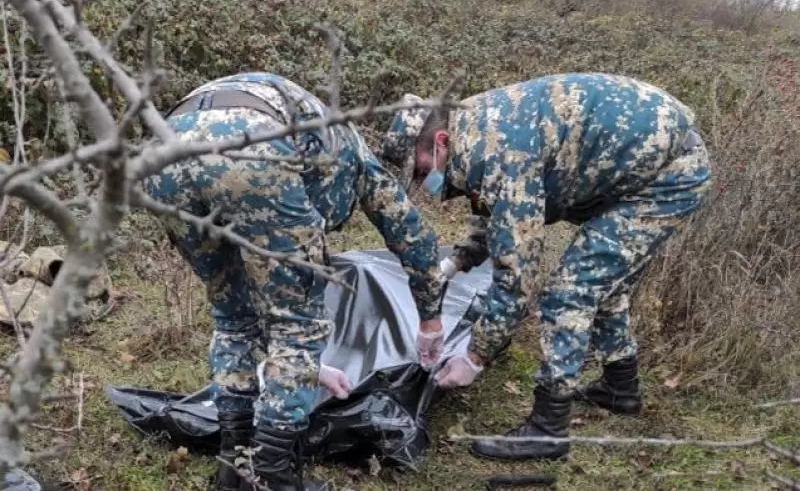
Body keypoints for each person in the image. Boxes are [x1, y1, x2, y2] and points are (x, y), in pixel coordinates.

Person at [379, 73, 712, 462]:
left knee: (569, 293)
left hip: (667, 178)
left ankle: (548, 428)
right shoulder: (474, 128)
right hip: (640, 166)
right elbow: (496, 211)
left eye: (420, 171)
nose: (423, 184)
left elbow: (516, 276)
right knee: (607, 284)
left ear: (440, 142)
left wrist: (475, 357)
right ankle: (621, 389)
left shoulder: (498, 150)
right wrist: (457, 261)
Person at [143, 72, 447, 490]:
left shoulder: (321, 133)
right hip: (251, 145)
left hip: (164, 146)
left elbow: (257, 289)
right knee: (297, 325)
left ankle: (235, 467)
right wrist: (430, 320)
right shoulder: (358, 157)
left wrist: (307, 367)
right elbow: (414, 239)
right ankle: (273, 476)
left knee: (233, 317)